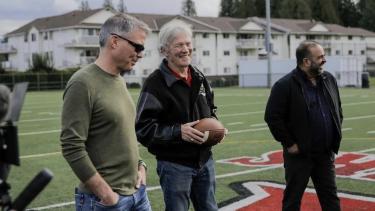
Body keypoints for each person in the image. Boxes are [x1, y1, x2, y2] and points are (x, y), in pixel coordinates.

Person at [60, 13, 151, 211]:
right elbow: (71, 146)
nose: (141, 54)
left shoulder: (119, 80)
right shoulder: (82, 83)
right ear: (115, 41)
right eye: (138, 46)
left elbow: (123, 133)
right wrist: (107, 195)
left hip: (138, 195)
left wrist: (141, 165)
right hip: (105, 202)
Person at [135, 20, 219, 211]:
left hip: (205, 161)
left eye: (188, 44)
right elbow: (143, 129)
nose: (185, 49)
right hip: (174, 165)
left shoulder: (199, 76)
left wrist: (216, 126)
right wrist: (178, 132)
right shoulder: (155, 84)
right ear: (164, 50)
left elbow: (211, 109)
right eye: (179, 45)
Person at [265, 40, 343, 211]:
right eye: (320, 57)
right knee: (293, 200)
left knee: (331, 199)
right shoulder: (284, 85)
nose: (324, 60)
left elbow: (337, 108)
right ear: (306, 61)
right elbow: (272, 117)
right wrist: (290, 144)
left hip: (325, 153)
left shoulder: (328, 79)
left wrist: (335, 134)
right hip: (300, 155)